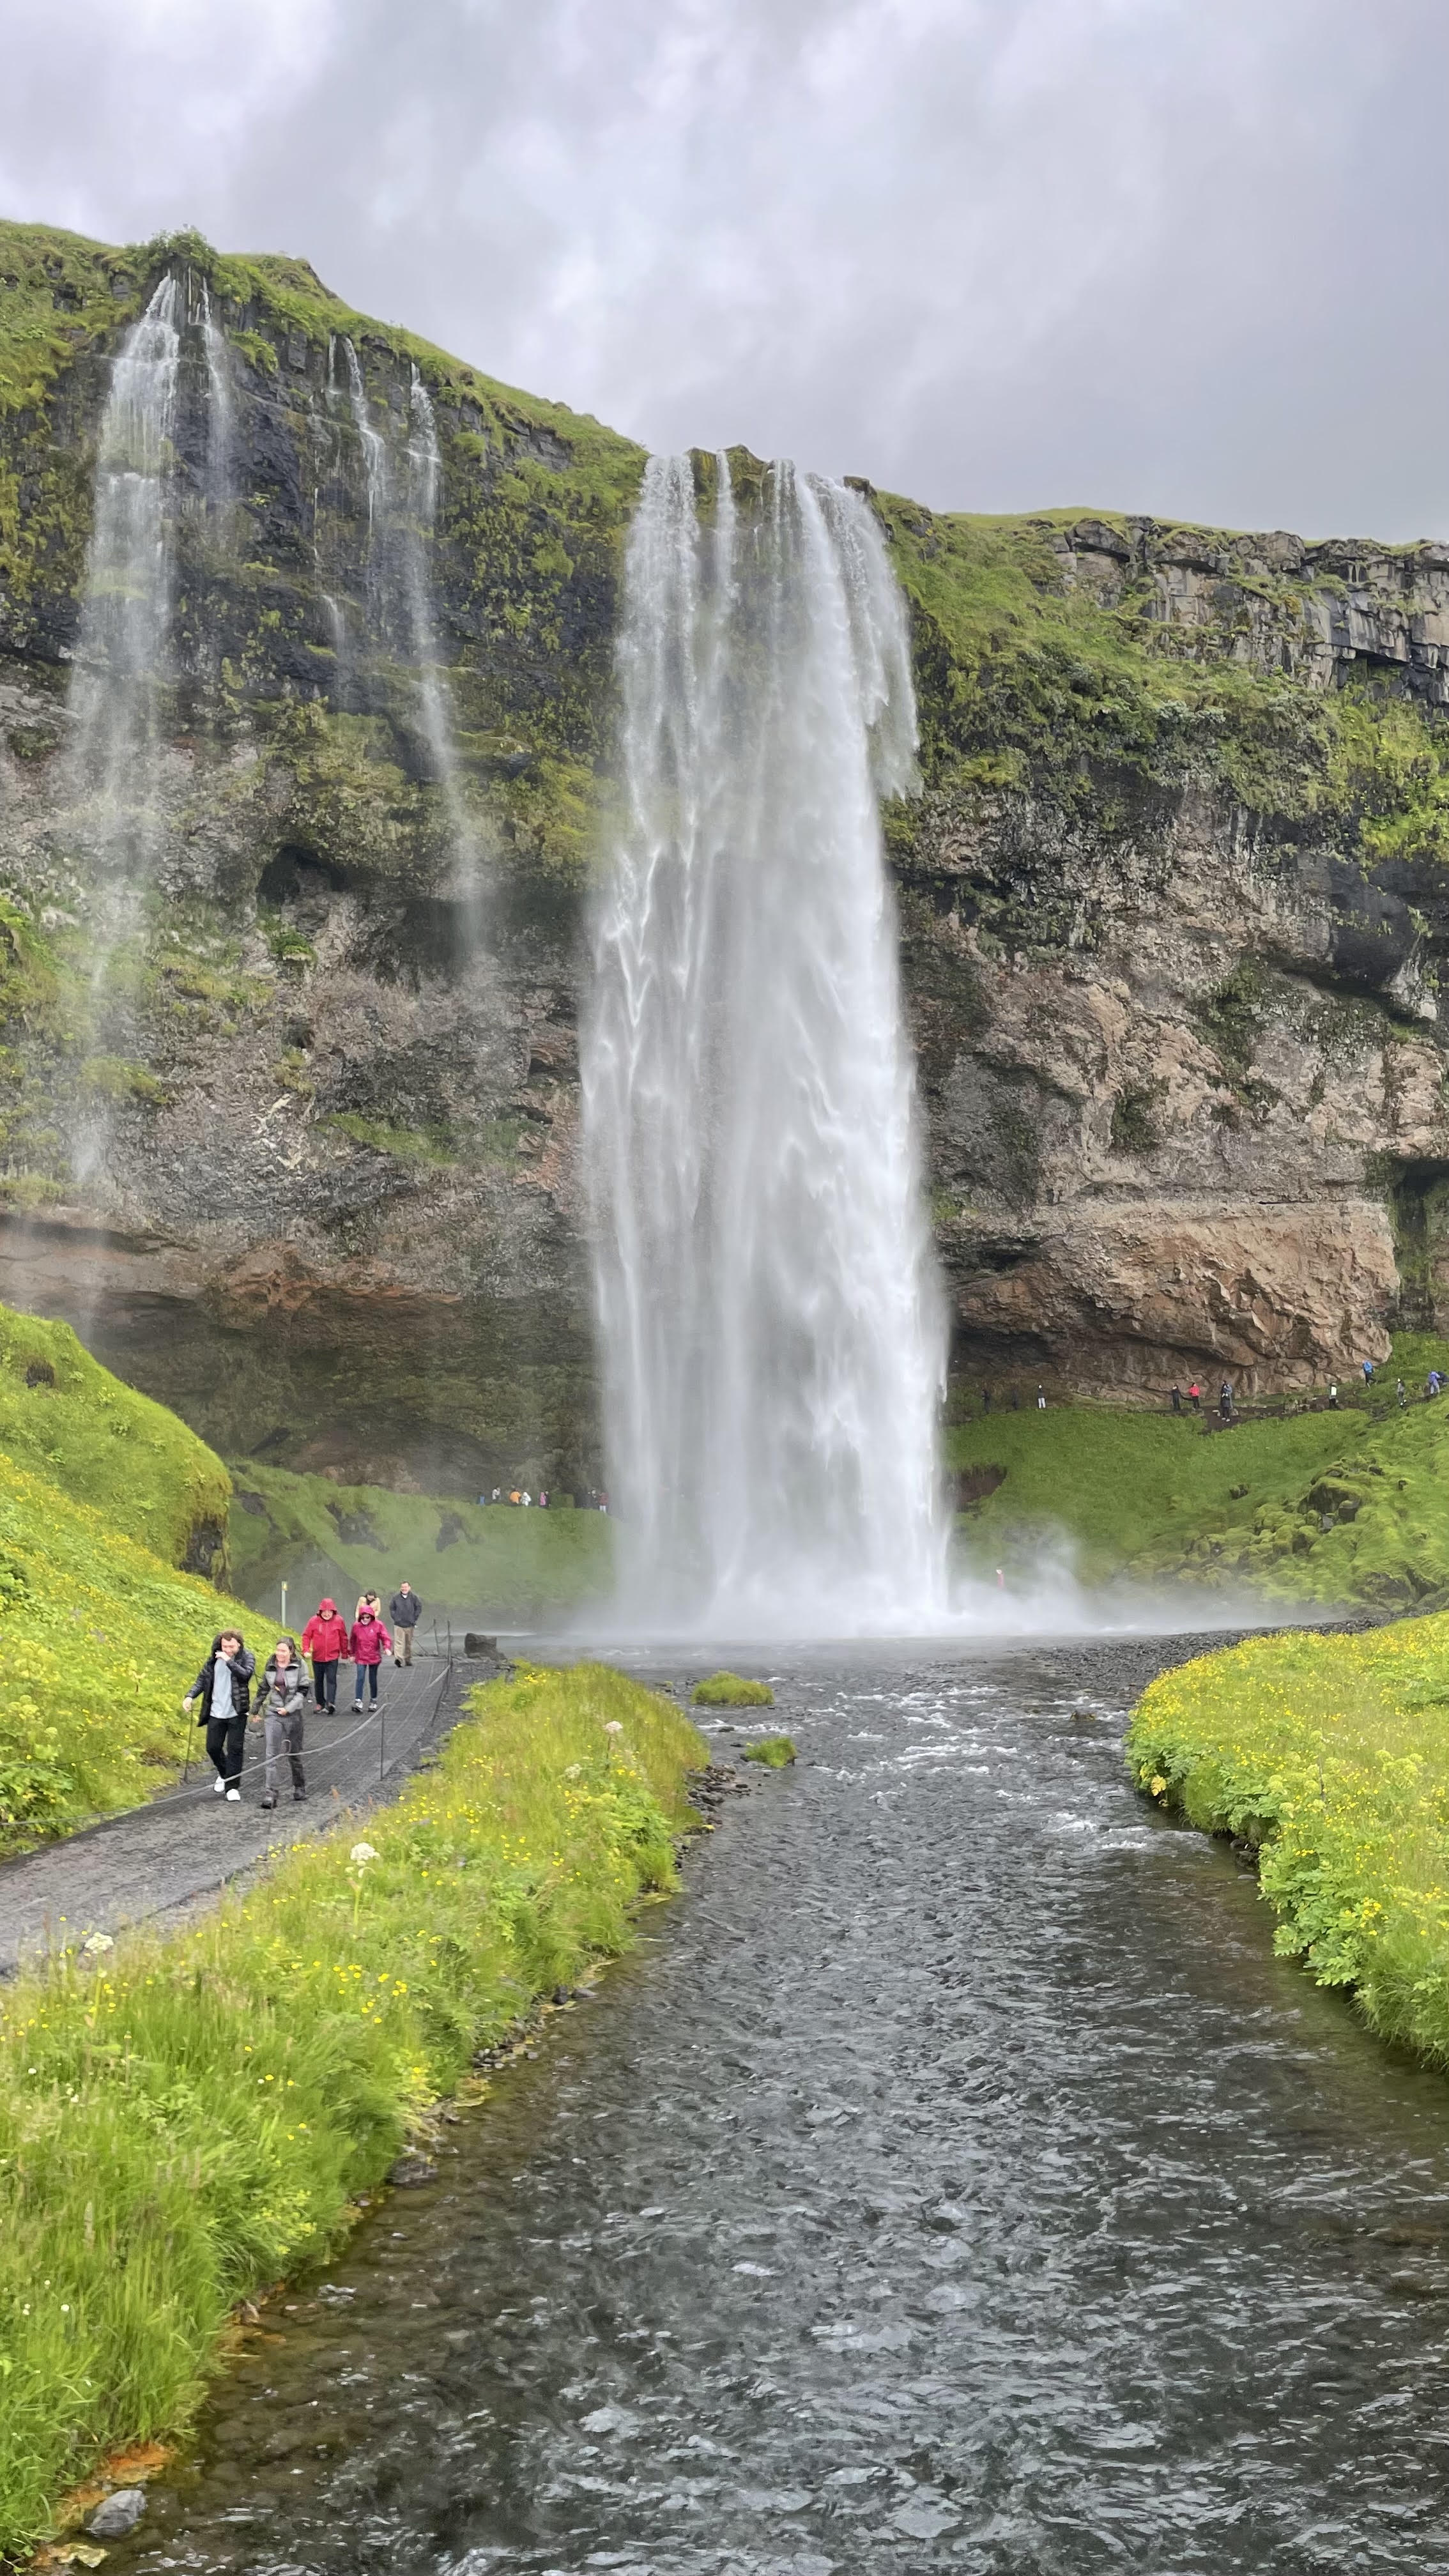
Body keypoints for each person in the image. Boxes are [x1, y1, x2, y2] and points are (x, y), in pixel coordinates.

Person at [183, 1630, 255, 1801]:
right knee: (213, 1747)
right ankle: (224, 1774)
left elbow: (245, 1675)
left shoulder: (247, 1657)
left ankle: (232, 1788)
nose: (228, 1649)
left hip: (237, 1711)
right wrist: (190, 1696)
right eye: (225, 1646)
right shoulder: (213, 1660)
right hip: (216, 1711)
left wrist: (229, 1660)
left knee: (235, 1749)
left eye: (232, 1646)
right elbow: (202, 1679)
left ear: (239, 1644)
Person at [254, 1637, 307, 1809]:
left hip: (294, 1715)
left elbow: (303, 1691)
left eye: (284, 1651)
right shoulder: (270, 1665)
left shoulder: (300, 1665)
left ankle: (299, 1786)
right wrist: (254, 1709)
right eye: (278, 1650)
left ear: (291, 1652)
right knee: (271, 1754)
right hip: (274, 1714)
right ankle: (271, 1793)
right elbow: (263, 1688)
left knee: (293, 1754)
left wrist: (289, 1709)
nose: (280, 1654)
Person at [300, 1596, 348, 1710]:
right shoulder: (313, 1621)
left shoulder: (339, 1621)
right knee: (319, 1681)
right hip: (317, 1657)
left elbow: (343, 1637)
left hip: (333, 1656)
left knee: (332, 1679)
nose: (327, 1614)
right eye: (324, 1611)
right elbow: (306, 1636)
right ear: (320, 1611)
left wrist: (345, 1653)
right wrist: (306, 1650)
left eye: (329, 1611)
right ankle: (320, 1703)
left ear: (333, 1611)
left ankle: (331, 1703)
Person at [349, 1598, 392, 1710]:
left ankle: (373, 1700)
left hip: (374, 1656)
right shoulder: (356, 1626)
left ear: (372, 1616)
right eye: (363, 1617)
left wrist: (387, 1647)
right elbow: (352, 1641)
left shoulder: (378, 1625)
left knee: (373, 1679)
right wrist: (352, 1654)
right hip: (361, 1656)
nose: (365, 1619)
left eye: (368, 1617)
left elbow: (385, 1637)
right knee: (360, 1678)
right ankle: (358, 1701)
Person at [388, 1580, 422, 1667]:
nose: (404, 1589)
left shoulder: (414, 1598)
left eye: (406, 1587)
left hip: (410, 1624)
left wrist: (414, 1618)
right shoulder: (395, 1598)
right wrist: (396, 1618)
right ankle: (399, 1660)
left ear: (409, 1587)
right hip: (398, 1624)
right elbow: (392, 1608)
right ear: (401, 1588)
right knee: (398, 1642)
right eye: (403, 1587)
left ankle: (408, 1659)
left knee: (408, 1643)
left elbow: (419, 1608)